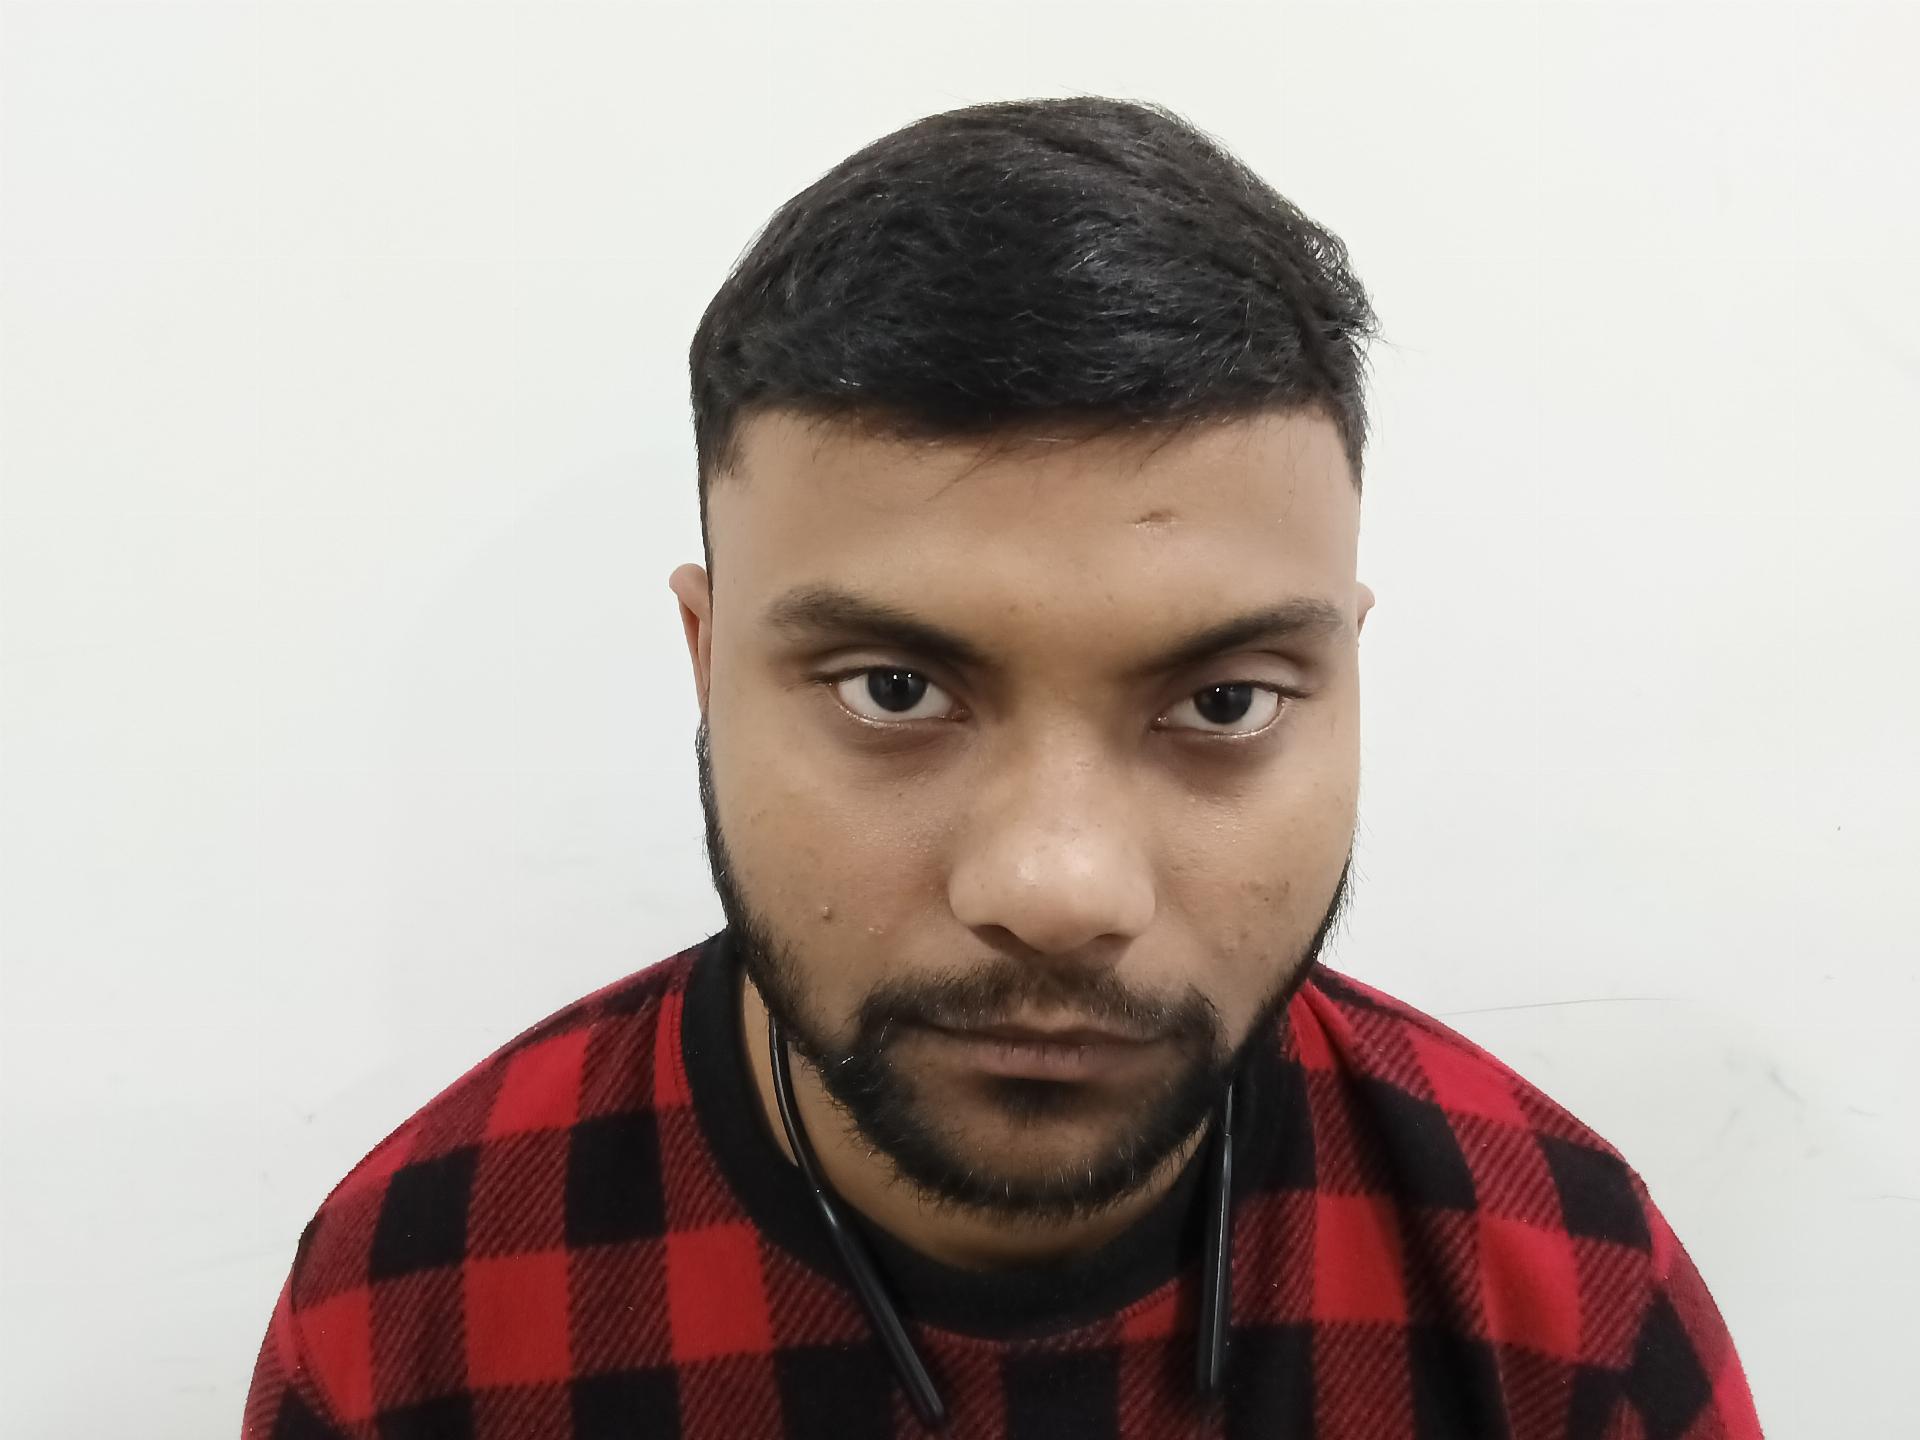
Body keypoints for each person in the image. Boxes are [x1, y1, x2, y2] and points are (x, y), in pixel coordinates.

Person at [242, 96, 1763, 1440]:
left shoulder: (1563, 1295)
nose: (1057, 889)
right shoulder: (421, 1304)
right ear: (706, 663)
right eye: (894, 690)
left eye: (1224, 702)